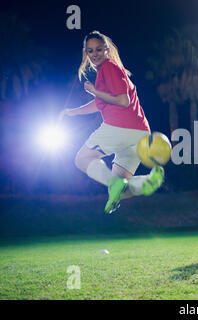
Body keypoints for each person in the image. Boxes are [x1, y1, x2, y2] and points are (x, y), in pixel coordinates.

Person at [59, 30, 164, 214]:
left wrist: (94, 91)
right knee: (118, 191)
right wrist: (73, 112)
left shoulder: (109, 67)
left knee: (82, 159)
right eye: (90, 51)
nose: (95, 54)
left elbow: (123, 101)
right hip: (140, 133)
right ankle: (145, 183)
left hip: (119, 127)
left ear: (107, 50)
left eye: (99, 49)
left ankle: (116, 182)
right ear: (86, 53)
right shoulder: (112, 70)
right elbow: (101, 104)